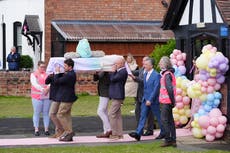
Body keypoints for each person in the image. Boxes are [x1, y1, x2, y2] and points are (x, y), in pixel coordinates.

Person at [128, 58, 165, 141]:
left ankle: (163, 131)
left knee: (158, 116)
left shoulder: (156, 75)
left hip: (153, 101)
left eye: (146, 64)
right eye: (144, 64)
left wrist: (150, 100)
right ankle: (138, 133)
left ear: (151, 66)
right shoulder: (145, 74)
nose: (144, 66)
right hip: (145, 99)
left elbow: (156, 89)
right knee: (142, 116)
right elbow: (145, 86)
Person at [54, 58, 78, 141]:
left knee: (60, 114)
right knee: (67, 115)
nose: (64, 67)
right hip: (68, 97)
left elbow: (57, 82)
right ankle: (69, 134)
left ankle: (68, 132)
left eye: (65, 66)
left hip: (67, 98)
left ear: (70, 67)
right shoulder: (69, 74)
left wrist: (57, 73)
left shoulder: (70, 75)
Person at [130, 56, 154, 136]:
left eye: (145, 61)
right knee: (138, 112)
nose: (143, 62)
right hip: (139, 95)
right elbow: (133, 72)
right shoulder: (141, 70)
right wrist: (127, 70)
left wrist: (135, 78)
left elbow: (145, 81)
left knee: (149, 114)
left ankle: (150, 130)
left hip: (147, 95)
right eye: (143, 61)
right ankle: (139, 130)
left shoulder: (151, 72)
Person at [158, 56, 177, 147]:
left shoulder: (166, 75)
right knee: (170, 120)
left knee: (164, 120)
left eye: (161, 62)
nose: (159, 64)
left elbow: (169, 89)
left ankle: (168, 139)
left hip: (166, 101)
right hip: (168, 101)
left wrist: (172, 101)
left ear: (166, 64)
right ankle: (173, 139)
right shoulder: (168, 74)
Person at [108, 56, 128, 139]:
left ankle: (115, 134)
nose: (115, 65)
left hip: (118, 95)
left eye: (116, 63)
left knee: (111, 114)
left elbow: (113, 79)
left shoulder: (123, 71)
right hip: (117, 95)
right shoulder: (120, 71)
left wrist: (113, 71)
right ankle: (120, 134)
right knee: (117, 115)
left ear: (122, 64)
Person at [30, 61, 51, 136]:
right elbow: (34, 84)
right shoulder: (33, 74)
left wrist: (48, 88)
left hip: (46, 96)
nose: (43, 68)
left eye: (44, 67)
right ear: (38, 67)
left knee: (46, 113)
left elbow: (50, 83)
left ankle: (46, 129)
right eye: (41, 67)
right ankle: (36, 129)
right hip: (37, 96)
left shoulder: (47, 74)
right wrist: (43, 89)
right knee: (37, 113)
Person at [45, 66, 65, 138]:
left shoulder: (62, 75)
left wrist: (57, 74)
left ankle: (61, 130)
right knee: (55, 114)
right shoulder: (53, 75)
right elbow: (46, 82)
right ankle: (58, 132)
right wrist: (50, 75)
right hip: (54, 97)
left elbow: (58, 82)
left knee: (52, 114)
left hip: (59, 97)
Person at [93, 71, 112, 138]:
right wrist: (96, 73)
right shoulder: (102, 72)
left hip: (105, 93)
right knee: (105, 112)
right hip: (102, 93)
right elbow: (95, 79)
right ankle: (105, 131)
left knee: (100, 111)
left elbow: (108, 81)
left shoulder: (108, 72)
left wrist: (104, 72)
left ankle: (109, 129)